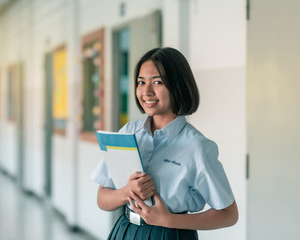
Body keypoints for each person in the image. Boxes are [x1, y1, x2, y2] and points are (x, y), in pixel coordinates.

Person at [91, 47, 238, 239]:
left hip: (170, 234)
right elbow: (102, 199)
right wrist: (127, 191)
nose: (146, 91)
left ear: (177, 86)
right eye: (141, 82)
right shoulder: (128, 133)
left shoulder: (197, 147)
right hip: (125, 230)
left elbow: (229, 215)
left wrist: (167, 220)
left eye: (158, 82)